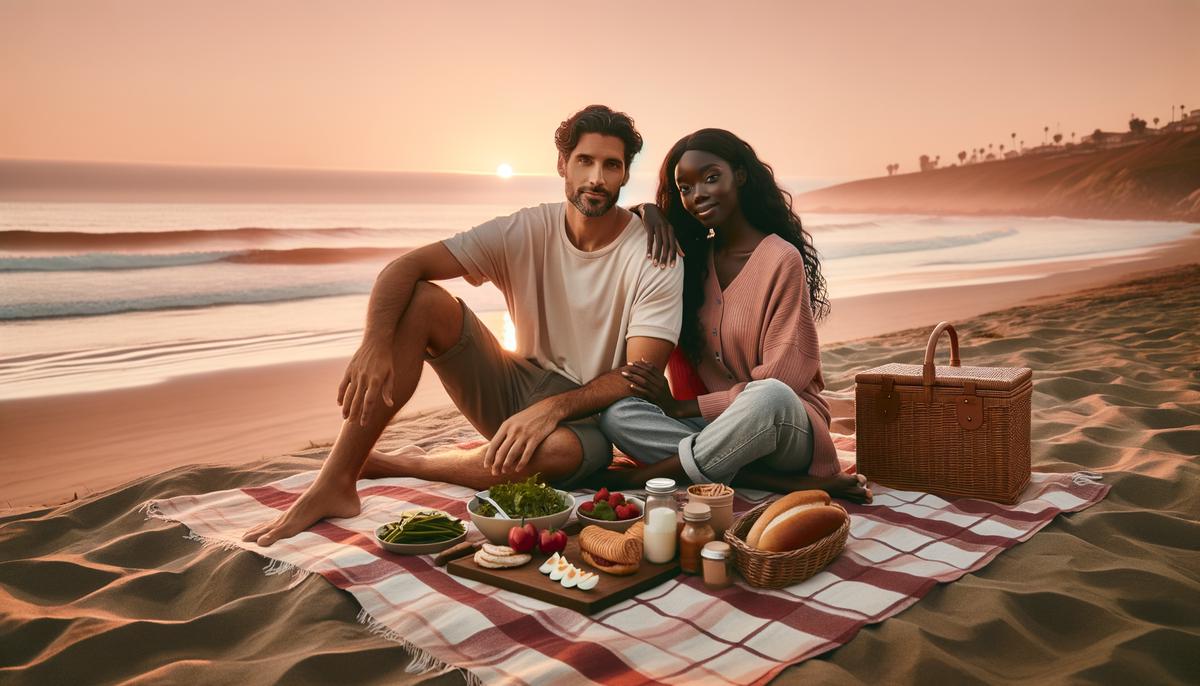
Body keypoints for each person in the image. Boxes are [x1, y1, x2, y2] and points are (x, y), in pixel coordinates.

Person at [242, 105, 683, 547]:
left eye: (611, 165)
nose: (596, 178)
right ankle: (336, 481)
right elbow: (405, 267)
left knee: (558, 453)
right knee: (423, 302)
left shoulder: (655, 255)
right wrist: (373, 345)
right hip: (514, 383)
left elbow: (638, 374)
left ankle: (401, 463)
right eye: (585, 161)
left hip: (585, 416)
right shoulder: (526, 228)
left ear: (626, 174)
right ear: (562, 165)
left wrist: (552, 408)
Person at [595, 129, 871, 502]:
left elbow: (782, 380)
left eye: (711, 178)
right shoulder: (692, 260)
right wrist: (649, 212)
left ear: (739, 175)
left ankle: (645, 476)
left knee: (767, 395)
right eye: (685, 188)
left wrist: (680, 407)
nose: (698, 194)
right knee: (618, 413)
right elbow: (618, 238)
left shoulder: (781, 258)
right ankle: (767, 480)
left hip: (786, 425)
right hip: (724, 428)